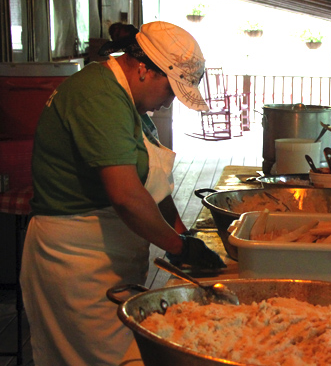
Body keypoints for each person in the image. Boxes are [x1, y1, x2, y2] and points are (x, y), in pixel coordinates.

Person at [20, 21, 226, 366]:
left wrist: (183, 236)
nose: (170, 101)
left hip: (105, 255)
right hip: (75, 259)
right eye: (171, 89)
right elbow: (127, 196)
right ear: (145, 67)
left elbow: (154, 186)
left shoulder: (127, 100)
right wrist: (178, 247)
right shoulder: (99, 95)